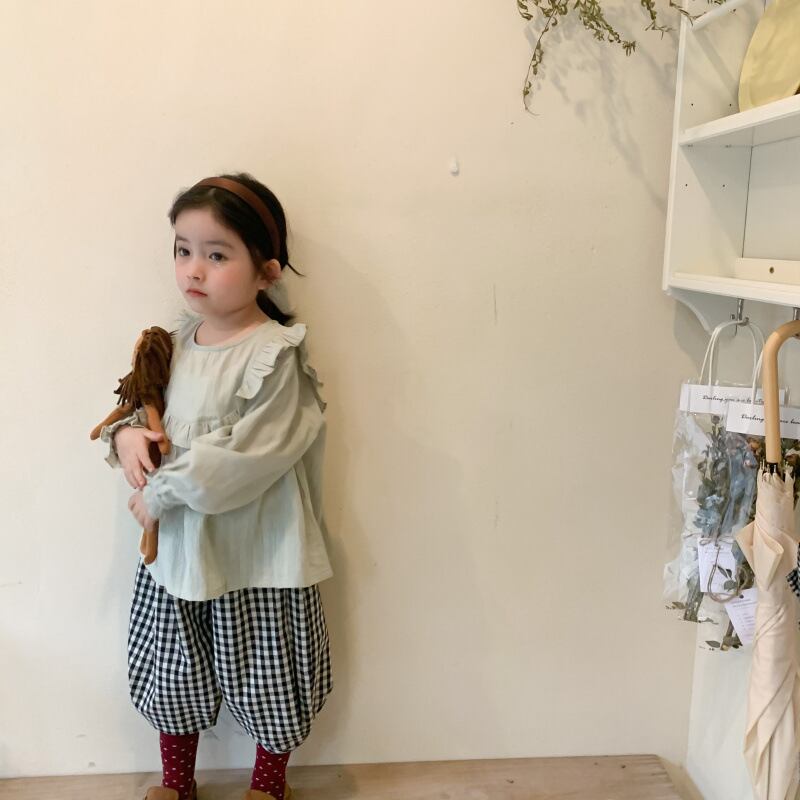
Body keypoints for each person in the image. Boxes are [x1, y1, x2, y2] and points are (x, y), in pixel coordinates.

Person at [98, 173, 334, 800]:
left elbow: (247, 458)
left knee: (268, 676)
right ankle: (178, 784)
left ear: (266, 272)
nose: (193, 269)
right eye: (183, 250)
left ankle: (268, 785)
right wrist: (126, 438)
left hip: (258, 553)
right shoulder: (174, 343)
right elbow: (141, 409)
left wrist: (160, 492)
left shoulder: (276, 354)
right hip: (181, 552)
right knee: (175, 672)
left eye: (217, 254)